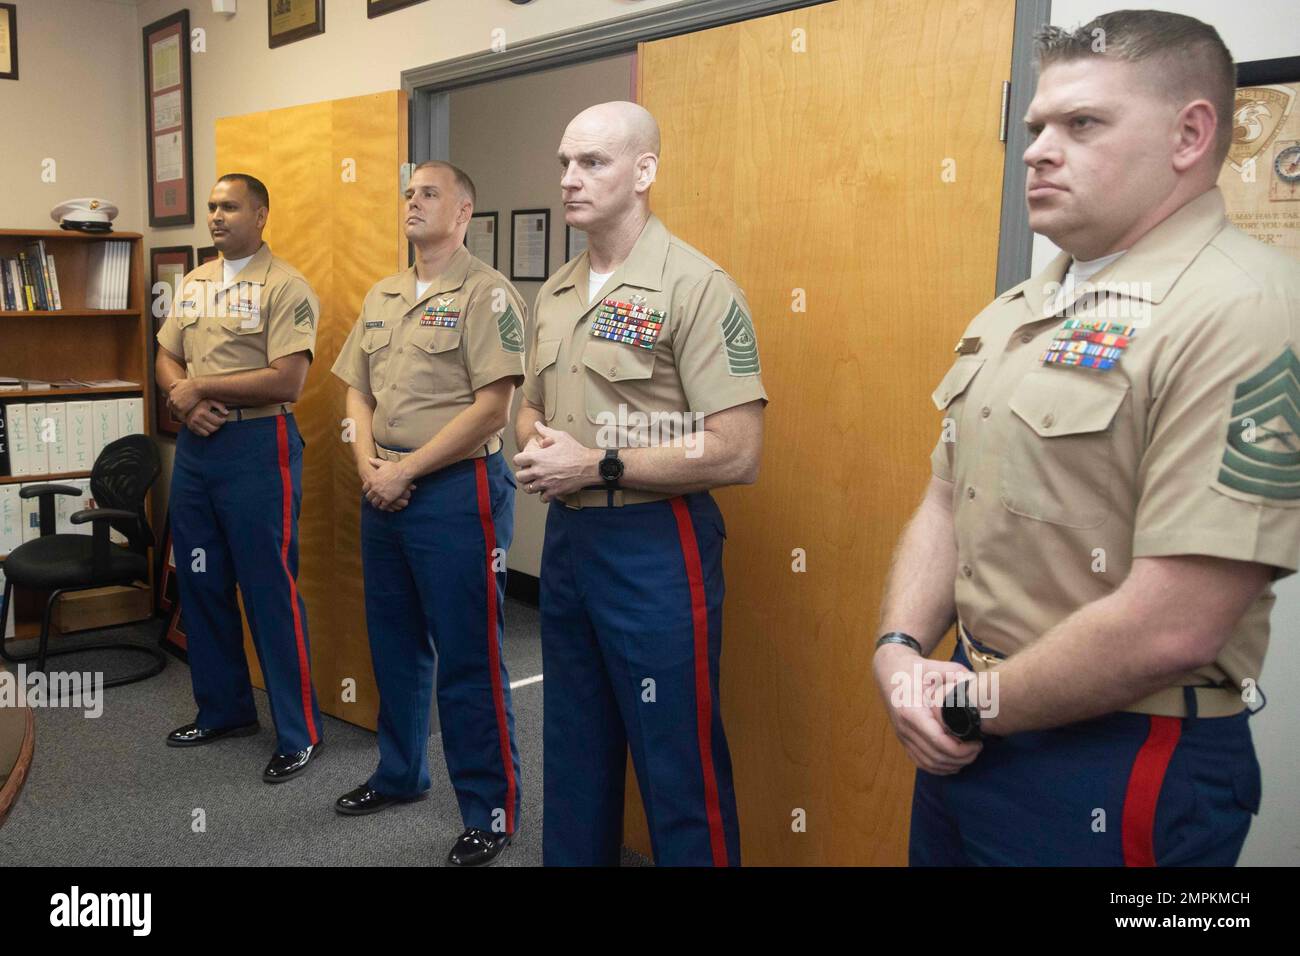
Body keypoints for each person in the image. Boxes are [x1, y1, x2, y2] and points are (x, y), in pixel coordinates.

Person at [872, 10, 1300, 866]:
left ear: (1190, 135)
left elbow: (1175, 623)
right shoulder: (1022, 309)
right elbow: (945, 499)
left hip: (1117, 757)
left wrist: (966, 702)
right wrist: (900, 655)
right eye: (1035, 127)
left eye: (1083, 124)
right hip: (968, 720)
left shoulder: (1244, 311)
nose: (1036, 150)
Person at [514, 101, 767, 866]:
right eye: (564, 162)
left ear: (645, 172)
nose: (569, 179)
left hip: (659, 544)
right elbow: (525, 408)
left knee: (674, 759)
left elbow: (738, 449)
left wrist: (594, 463)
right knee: (575, 745)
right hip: (571, 541)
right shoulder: (556, 291)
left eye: (592, 162)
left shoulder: (696, 285)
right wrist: (535, 447)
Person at [330, 161, 525, 867]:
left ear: (464, 210)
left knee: (469, 658)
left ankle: (491, 810)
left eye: (429, 194)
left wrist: (405, 471)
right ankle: (400, 774)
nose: (412, 202)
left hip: (454, 492)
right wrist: (370, 470)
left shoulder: (488, 295)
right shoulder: (383, 292)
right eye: (408, 193)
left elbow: (493, 407)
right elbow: (356, 391)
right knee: (394, 644)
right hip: (382, 485)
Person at [156, 173, 324, 783]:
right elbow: (166, 353)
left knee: (268, 589)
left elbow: (288, 380)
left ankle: (299, 731)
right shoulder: (197, 282)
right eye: (211, 207)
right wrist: (183, 395)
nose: (217, 217)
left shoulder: (286, 286)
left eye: (229, 207)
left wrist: (200, 385)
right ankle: (224, 710)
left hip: (259, 445)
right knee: (200, 581)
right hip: (200, 447)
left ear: (261, 214)